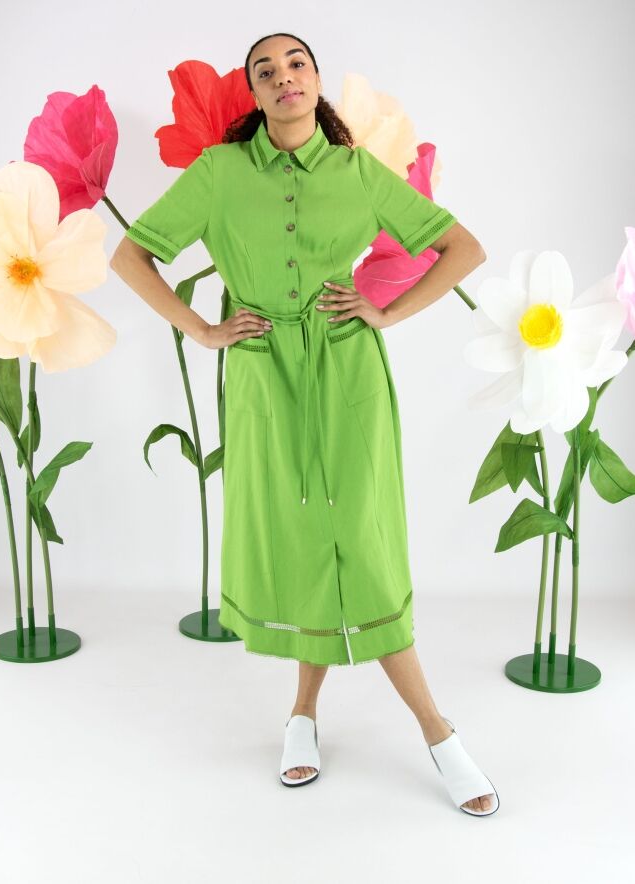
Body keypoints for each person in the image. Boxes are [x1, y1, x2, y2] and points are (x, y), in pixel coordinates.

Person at [110, 32, 499, 816]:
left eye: (296, 64)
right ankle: (302, 714)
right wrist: (203, 329)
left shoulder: (359, 172)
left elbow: (462, 248)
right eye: (266, 71)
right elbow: (129, 257)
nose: (283, 77)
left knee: (358, 542)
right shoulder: (218, 173)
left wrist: (384, 312)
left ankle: (436, 730)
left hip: (348, 373)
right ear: (254, 94)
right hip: (262, 373)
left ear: (315, 81)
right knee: (300, 539)